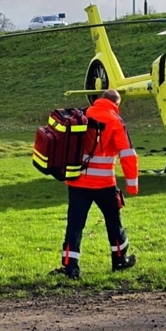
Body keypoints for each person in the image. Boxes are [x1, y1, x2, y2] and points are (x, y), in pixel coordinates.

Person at [54, 89, 139, 280]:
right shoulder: (115, 120)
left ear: (99, 100)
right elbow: (127, 155)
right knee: (113, 223)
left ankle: (71, 268)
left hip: (77, 181)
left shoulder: (83, 114)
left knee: (74, 225)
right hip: (104, 184)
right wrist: (132, 185)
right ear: (116, 104)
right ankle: (119, 260)